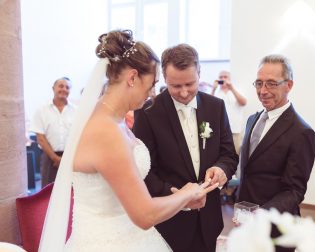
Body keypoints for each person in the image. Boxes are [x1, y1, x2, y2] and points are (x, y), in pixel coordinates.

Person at [39, 30, 219, 252]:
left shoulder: (113, 120)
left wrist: (181, 201)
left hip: (130, 236)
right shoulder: (106, 132)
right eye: (151, 84)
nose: (152, 93)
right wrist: (187, 193)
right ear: (133, 78)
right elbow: (144, 215)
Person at [133, 44, 238, 252]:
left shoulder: (216, 107)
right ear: (164, 78)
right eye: (175, 86)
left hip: (209, 218)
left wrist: (222, 169)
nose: (183, 93)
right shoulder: (148, 113)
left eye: (190, 84)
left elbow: (228, 155)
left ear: (199, 73)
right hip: (169, 220)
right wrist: (177, 196)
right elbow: (144, 170)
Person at [237, 54, 315, 216]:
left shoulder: (302, 132)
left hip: (276, 223)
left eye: (271, 84)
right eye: (259, 83)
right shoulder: (252, 120)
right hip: (245, 215)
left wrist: (262, 214)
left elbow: (295, 191)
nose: (263, 91)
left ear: (289, 85)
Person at [30, 77, 76, 188]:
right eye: (61, 86)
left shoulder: (76, 110)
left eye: (67, 87)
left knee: (70, 190)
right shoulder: (41, 110)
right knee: (47, 191)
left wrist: (67, 158)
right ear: (53, 88)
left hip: (71, 157)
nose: (64, 89)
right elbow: (40, 138)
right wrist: (55, 158)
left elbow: (78, 135)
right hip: (49, 157)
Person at [211, 70, 247, 154]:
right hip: (219, 131)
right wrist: (213, 89)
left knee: (236, 155)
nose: (223, 79)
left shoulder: (236, 90)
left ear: (229, 79)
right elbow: (208, 107)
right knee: (220, 154)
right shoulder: (216, 92)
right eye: (220, 77)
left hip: (235, 130)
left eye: (225, 77)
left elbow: (243, 102)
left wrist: (232, 88)